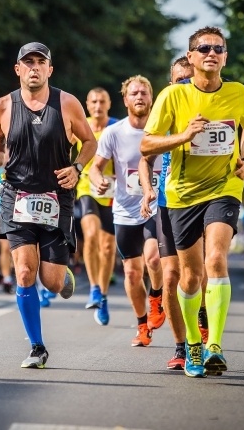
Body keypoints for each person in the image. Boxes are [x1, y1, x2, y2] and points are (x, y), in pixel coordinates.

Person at [140, 26, 244, 378]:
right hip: (181, 194)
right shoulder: (172, 97)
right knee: (190, 276)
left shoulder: (238, 93)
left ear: (225, 56)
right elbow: (146, 146)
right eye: (203, 48)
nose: (211, 53)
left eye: (218, 48)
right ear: (190, 58)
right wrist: (185, 135)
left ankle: (214, 347)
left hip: (224, 187)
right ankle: (192, 341)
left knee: (216, 259)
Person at [0, 41, 96, 369]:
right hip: (16, 197)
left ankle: (62, 276)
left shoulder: (67, 104)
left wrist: (77, 168)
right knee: (25, 271)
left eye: (40, 62)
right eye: (27, 62)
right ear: (17, 69)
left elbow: (90, 142)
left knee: (53, 282)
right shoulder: (2, 106)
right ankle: (37, 347)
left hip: (57, 198)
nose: (33, 67)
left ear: (49, 69)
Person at [90, 75, 165, 344]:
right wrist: (97, 180)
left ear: (151, 98)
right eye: (134, 93)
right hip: (124, 210)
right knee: (132, 273)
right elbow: (96, 167)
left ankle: (156, 295)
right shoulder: (114, 132)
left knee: (153, 258)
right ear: (125, 100)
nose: (140, 97)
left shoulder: (163, 131)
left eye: (144, 93)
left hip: (156, 206)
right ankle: (142, 325)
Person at [139, 57, 193, 369]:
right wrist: (148, 189)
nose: (184, 84)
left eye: (190, 78)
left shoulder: (210, 110)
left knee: (201, 274)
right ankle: (181, 347)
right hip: (167, 202)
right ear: (171, 83)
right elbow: (145, 155)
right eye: (179, 80)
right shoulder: (166, 112)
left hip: (205, 200)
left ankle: (204, 329)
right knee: (171, 274)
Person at [75, 88, 119, 314]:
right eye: (93, 102)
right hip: (87, 188)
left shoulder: (117, 127)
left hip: (113, 191)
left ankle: (102, 294)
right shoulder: (82, 126)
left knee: (108, 247)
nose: (98, 106)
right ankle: (93, 288)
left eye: (102, 101)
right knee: (90, 234)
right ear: (87, 104)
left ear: (109, 103)